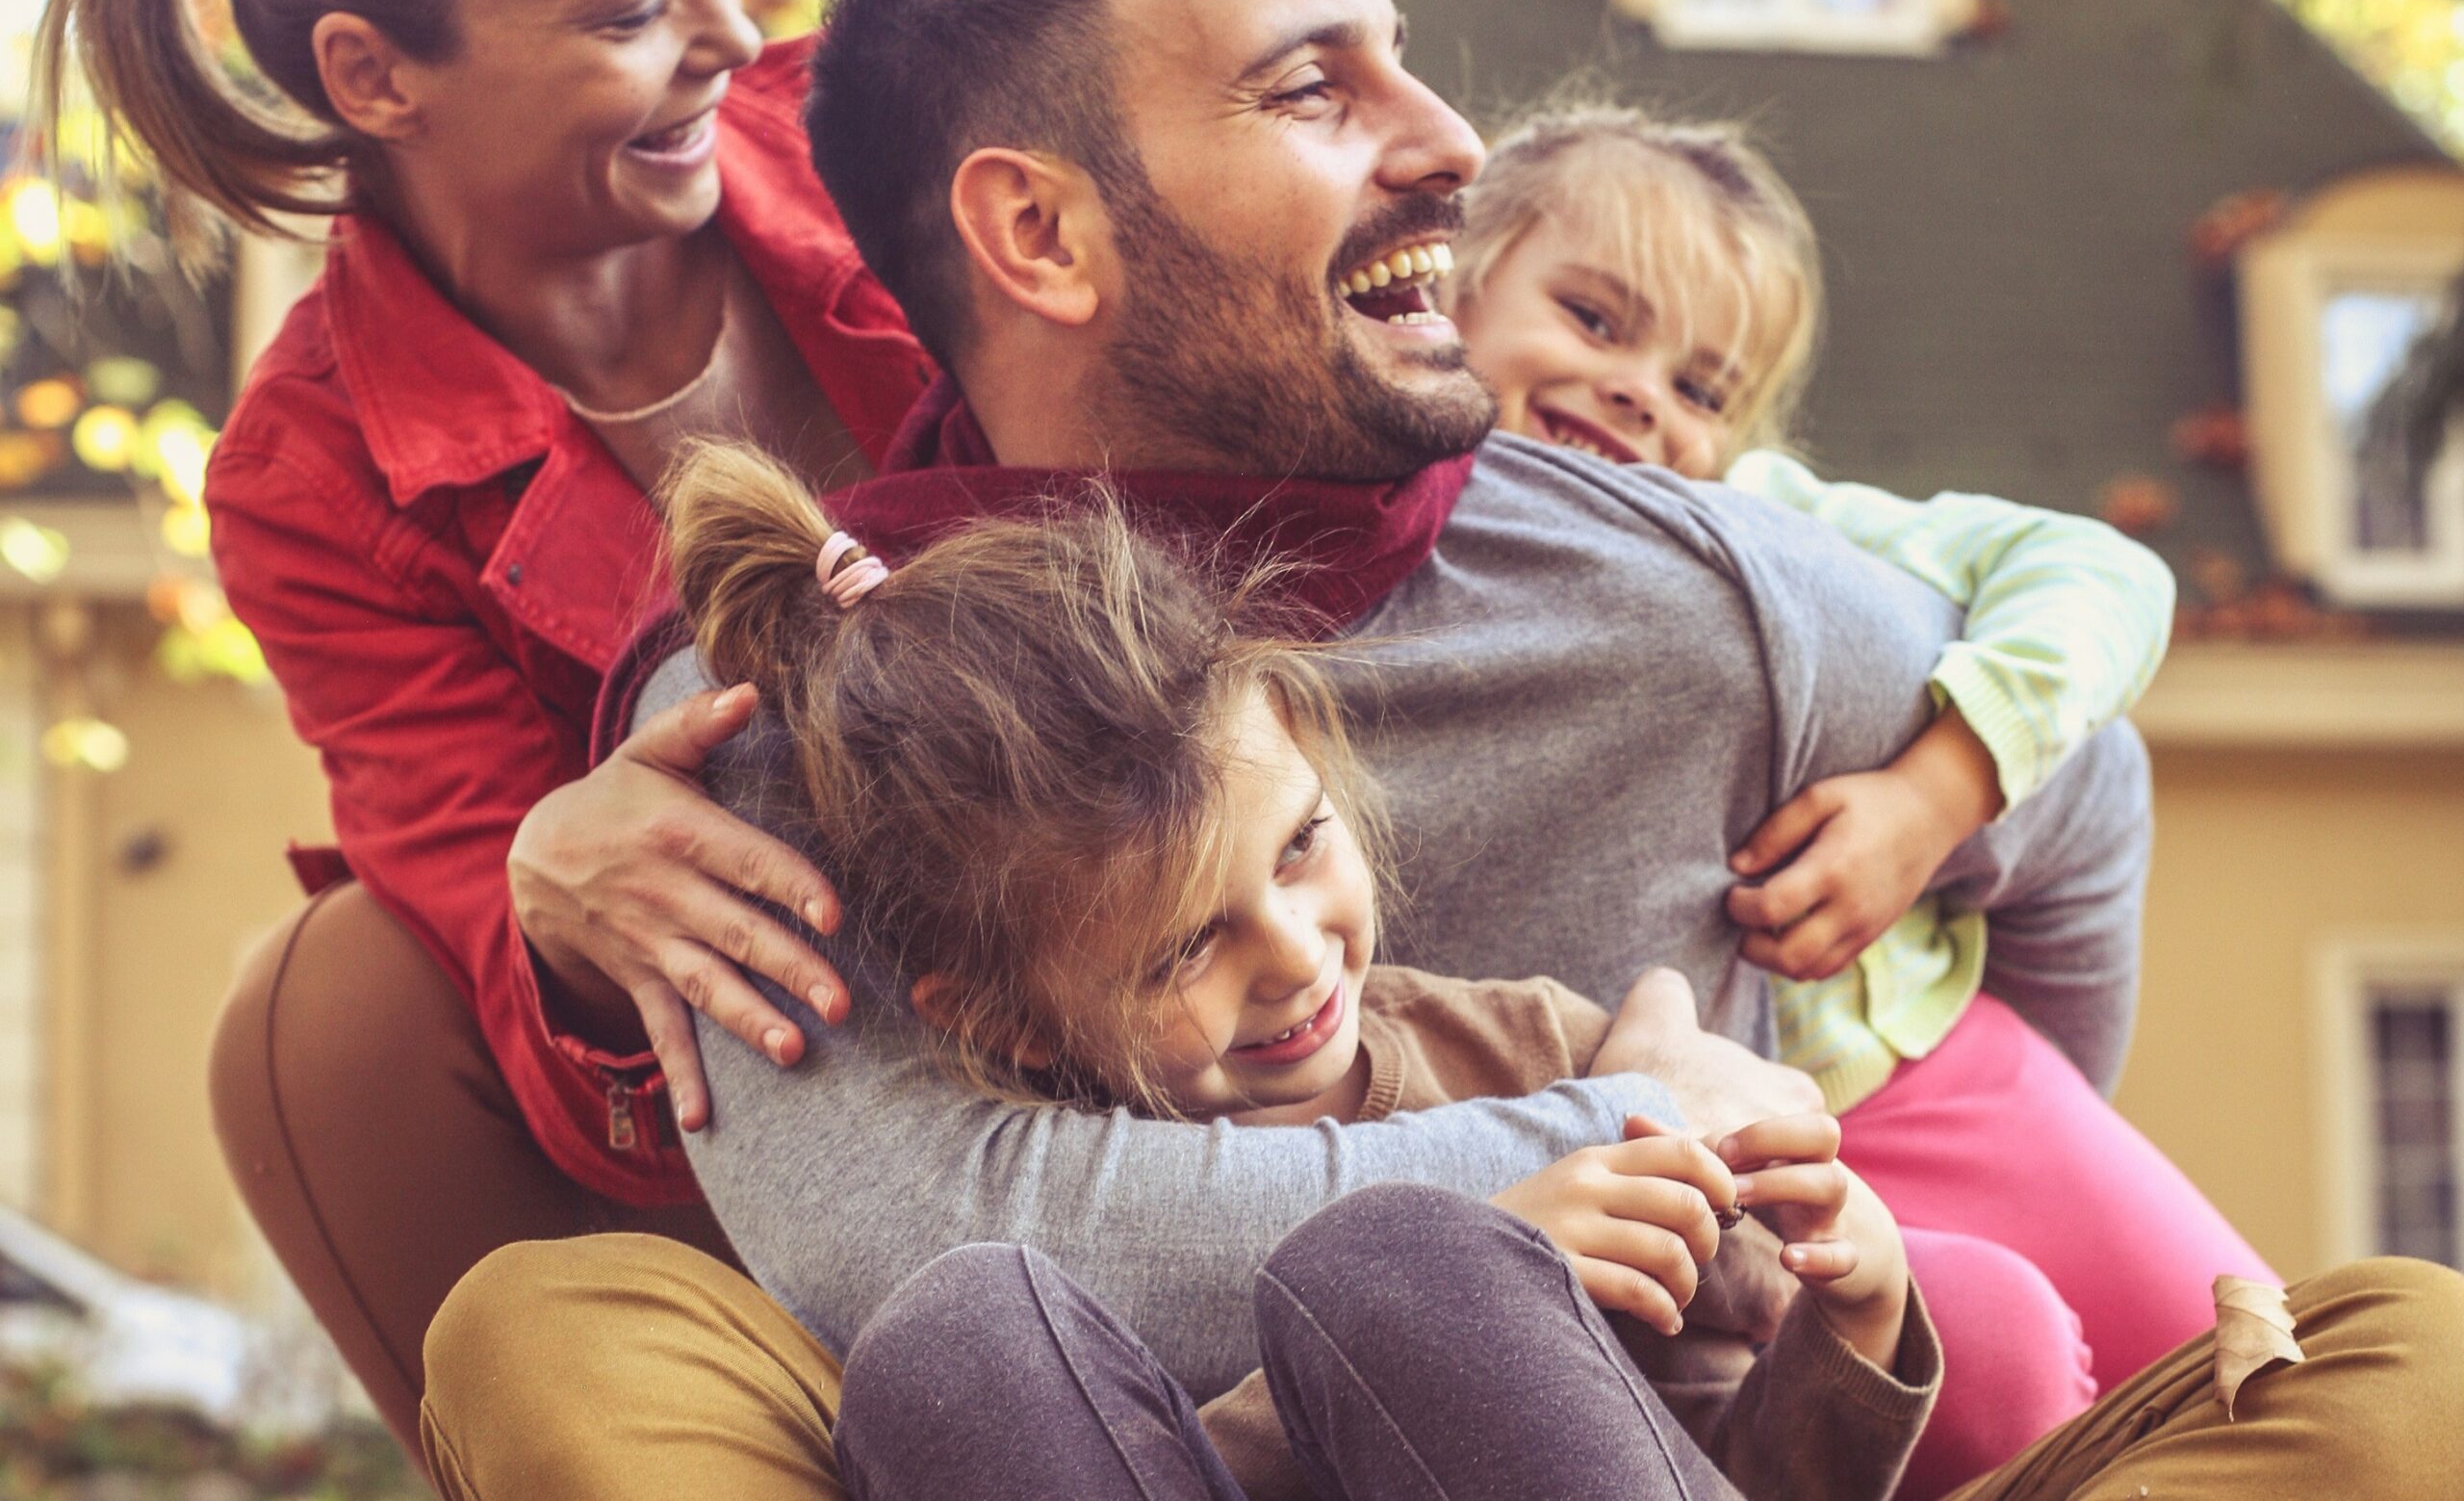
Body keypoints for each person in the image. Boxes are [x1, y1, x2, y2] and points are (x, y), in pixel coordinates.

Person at [416, 0, 2238, 1494]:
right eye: (1312, 90)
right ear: (1038, 232)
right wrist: (1615, 1131)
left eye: (1404, 62)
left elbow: (2077, 794)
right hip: (1112, 1441)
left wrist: (1893, 1090)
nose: (1453, 143)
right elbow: (907, 1230)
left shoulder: (1692, 593)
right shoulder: (790, 720)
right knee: (566, 1329)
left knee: (2374, 1358)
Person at [419, 443, 2464, 1501]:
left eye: (1300, 854)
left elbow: (1778, 1459)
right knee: (956, 1341)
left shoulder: (1539, 1043)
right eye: (1184, 949)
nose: (1294, 955)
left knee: (2411, 1351)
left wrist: (1845, 1296)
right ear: (1010, 1020)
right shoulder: (1044, 1230)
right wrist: (1481, 1219)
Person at [30, 0, 936, 1461]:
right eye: (628, 6)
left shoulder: (889, 126)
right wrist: (570, 913)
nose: (731, 29)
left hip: (1191, 920)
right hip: (820, 1090)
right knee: (331, 988)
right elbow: (572, 1068)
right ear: (376, 77)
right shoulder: (316, 482)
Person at [1442, 101, 2268, 1398]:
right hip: (1734, 1165)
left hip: (1922, 1070)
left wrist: (1935, 793)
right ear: (1453, 291)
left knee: (2254, 1368)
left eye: (1700, 385)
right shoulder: (1401, 547)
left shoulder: (1761, 516)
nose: (1637, 389)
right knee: (2007, 1387)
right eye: (1596, 319)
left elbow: (2099, 568)